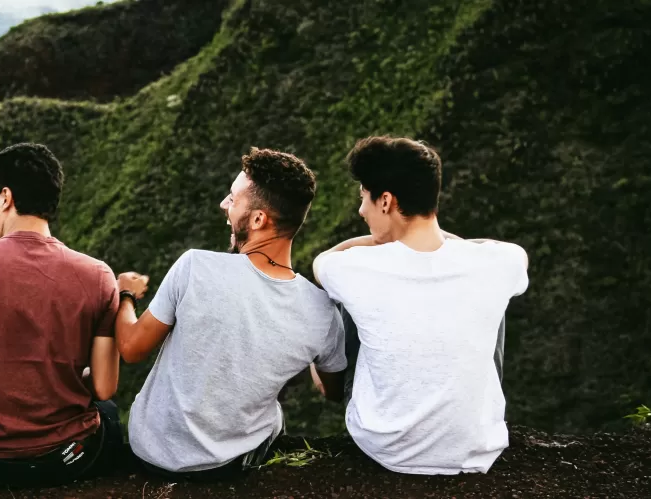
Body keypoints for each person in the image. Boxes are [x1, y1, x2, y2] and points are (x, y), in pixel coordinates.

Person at [115, 147, 348, 481]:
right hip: (228, 466)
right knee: (274, 413)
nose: (224, 205)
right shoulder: (323, 312)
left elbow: (131, 348)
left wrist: (125, 295)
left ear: (258, 219)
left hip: (150, 453)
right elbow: (332, 391)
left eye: (233, 198)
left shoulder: (195, 265)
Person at [313, 136, 529, 475]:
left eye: (363, 199)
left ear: (385, 201)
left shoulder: (353, 267)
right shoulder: (502, 262)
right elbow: (500, 253)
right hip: (475, 449)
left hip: (385, 446)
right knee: (489, 299)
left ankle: (333, 388)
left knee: (346, 301)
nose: (360, 211)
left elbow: (322, 262)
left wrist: (378, 240)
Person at [0, 143, 126, 488]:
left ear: (5, 198)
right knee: (107, 414)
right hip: (69, 459)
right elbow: (105, 387)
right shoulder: (99, 275)